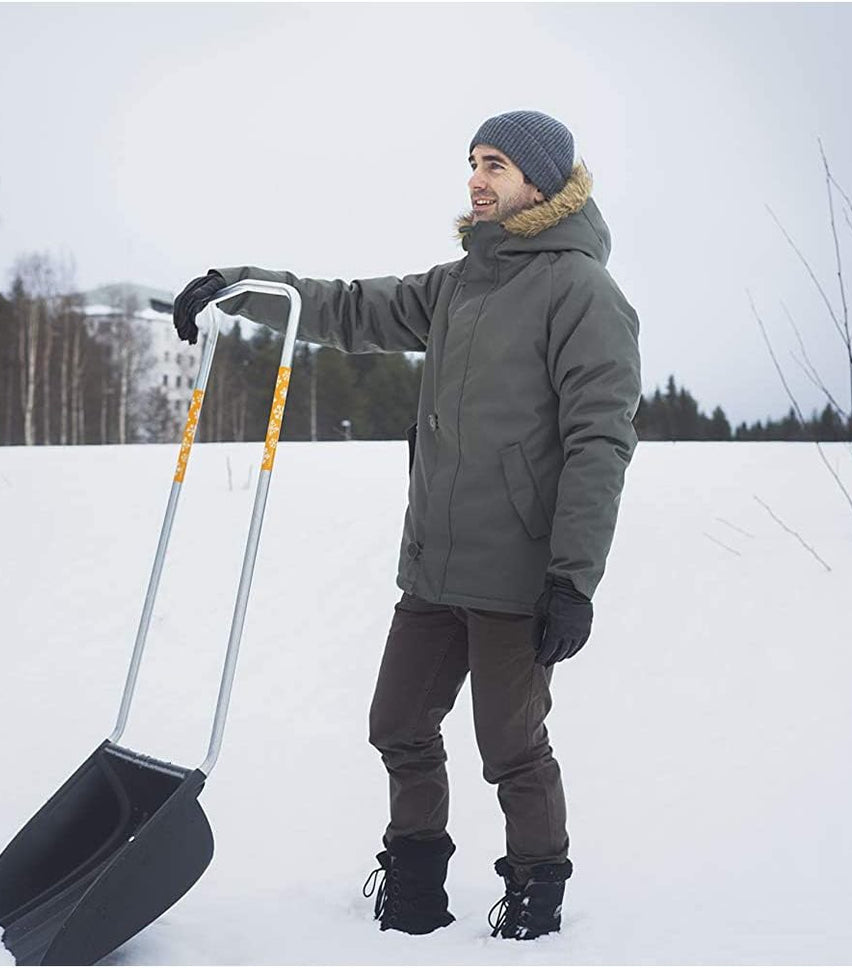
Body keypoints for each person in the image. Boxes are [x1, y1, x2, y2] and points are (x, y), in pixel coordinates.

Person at [170, 110, 641, 941]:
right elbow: (350, 310)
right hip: (432, 567)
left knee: (511, 748)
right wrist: (240, 286)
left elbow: (598, 441)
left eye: (494, 164)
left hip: (516, 575)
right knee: (396, 724)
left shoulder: (580, 291)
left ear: (540, 180)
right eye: (471, 162)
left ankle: (536, 891)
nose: (475, 178)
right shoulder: (459, 283)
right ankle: (416, 878)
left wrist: (572, 580)